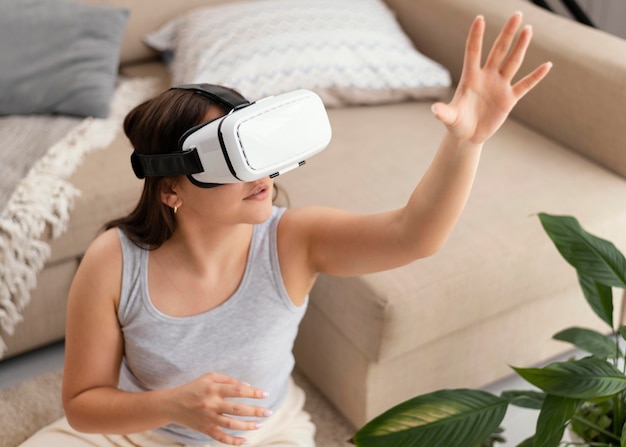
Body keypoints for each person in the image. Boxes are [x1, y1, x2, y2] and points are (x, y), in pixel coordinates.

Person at [20, 12, 551, 447]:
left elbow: (415, 235)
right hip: (143, 429)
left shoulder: (294, 240)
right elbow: (84, 405)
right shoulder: (113, 260)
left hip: (262, 431)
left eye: (254, 149)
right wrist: (172, 405)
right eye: (228, 158)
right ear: (170, 190)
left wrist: (466, 143)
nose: (257, 175)